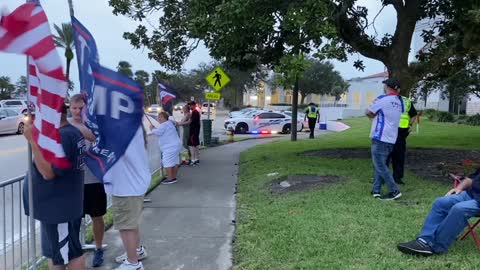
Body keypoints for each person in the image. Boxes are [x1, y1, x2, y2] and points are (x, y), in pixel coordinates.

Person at [23, 103, 86, 270]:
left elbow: (48, 173)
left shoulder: (63, 137)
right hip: (59, 208)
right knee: (57, 255)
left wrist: (32, 141)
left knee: (70, 254)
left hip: (59, 210)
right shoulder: (70, 132)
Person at [397, 170, 480, 256]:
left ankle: (437, 247)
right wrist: (459, 188)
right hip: (471, 195)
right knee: (441, 202)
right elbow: (471, 178)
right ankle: (425, 240)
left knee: (459, 209)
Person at [68, 94, 107, 267]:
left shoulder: (93, 124)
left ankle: (98, 248)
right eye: (74, 108)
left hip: (93, 179)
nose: (77, 111)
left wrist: (81, 124)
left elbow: (97, 139)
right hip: (73, 182)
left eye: (80, 108)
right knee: (74, 220)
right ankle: (75, 251)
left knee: (97, 216)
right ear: (69, 108)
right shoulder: (65, 124)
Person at [108, 125, 151, 270]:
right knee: (131, 223)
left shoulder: (125, 128)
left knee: (126, 226)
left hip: (126, 186)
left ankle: (133, 263)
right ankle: (135, 251)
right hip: (131, 185)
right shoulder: (133, 126)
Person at [366, 78, 404, 200]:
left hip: (380, 136)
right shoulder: (400, 101)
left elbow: (368, 111)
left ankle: (394, 191)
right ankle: (376, 190)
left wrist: (373, 118)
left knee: (380, 165)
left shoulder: (383, 99)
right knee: (380, 164)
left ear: (387, 87)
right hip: (391, 138)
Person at [387, 94, 418, 185]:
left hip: (401, 132)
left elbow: (413, 114)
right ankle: (384, 177)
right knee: (386, 155)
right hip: (389, 131)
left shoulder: (406, 101)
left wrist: (410, 125)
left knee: (399, 156)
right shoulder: (386, 99)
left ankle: (397, 177)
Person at [151, 111, 184, 184]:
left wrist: (152, 129)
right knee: (175, 161)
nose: (158, 119)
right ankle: (173, 177)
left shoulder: (164, 125)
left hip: (170, 147)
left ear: (163, 117)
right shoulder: (169, 123)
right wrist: (155, 128)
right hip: (175, 145)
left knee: (166, 162)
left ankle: (170, 178)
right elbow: (161, 131)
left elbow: (158, 132)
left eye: (159, 117)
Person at [188, 101, 201, 165]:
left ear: (194, 105)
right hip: (196, 131)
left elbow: (190, 121)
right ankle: (196, 159)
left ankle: (193, 160)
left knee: (192, 145)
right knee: (195, 145)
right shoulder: (196, 112)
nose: (190, 107)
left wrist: (179, 123)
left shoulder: (194, 112)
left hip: (193, 131)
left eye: (190, 105)